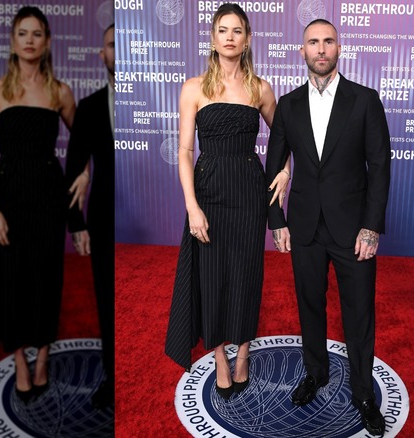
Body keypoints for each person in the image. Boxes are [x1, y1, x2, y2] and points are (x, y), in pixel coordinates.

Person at [266, 19, 391, 437]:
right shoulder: (287, 104)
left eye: (328, 41)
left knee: (359, 314)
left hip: (353, 229)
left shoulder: (365, 100)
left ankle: (362, 394)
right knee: (310, 306)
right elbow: (274, 166)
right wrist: (276, 220)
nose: (321, 49)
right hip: (304, 226)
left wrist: (371, 228)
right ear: (301, 51)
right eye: (312, 43)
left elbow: (380, 168)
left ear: (340, 48)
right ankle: (315, 373)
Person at [164, 3, 289, 400]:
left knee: (247, 274)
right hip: (209, 195)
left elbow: (287, 138)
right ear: (213, 38)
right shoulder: (193, 87)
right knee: (213, 277)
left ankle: (243, 355)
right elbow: (185, 152)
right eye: (223, 30)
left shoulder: (261, 88)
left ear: (247, 38)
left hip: (250, 194)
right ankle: (220, 357)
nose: (230, 36)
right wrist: (191, 206)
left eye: (237, 30)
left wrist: (285, 170)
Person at [0, 6, 76, 405]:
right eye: (22, 33)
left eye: (37, 34)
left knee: (46, 277)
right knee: (11, 279)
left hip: (48, 195)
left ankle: (42, 356)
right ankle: (20, 361)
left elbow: (82, 145)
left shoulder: (60, 91)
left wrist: (83, 175)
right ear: (13, 41)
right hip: (8, 197)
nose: (29, 40)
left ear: (47, 42)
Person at [65, 23, 115, 409]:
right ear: (102, 55)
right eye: (111, 45)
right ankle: (112, 379)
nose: (117, 52)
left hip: (144, 220)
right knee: (104, 299)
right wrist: (77, 223)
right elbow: (74, 165)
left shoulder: (148, 103)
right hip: (100, 216)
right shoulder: (89, 107)